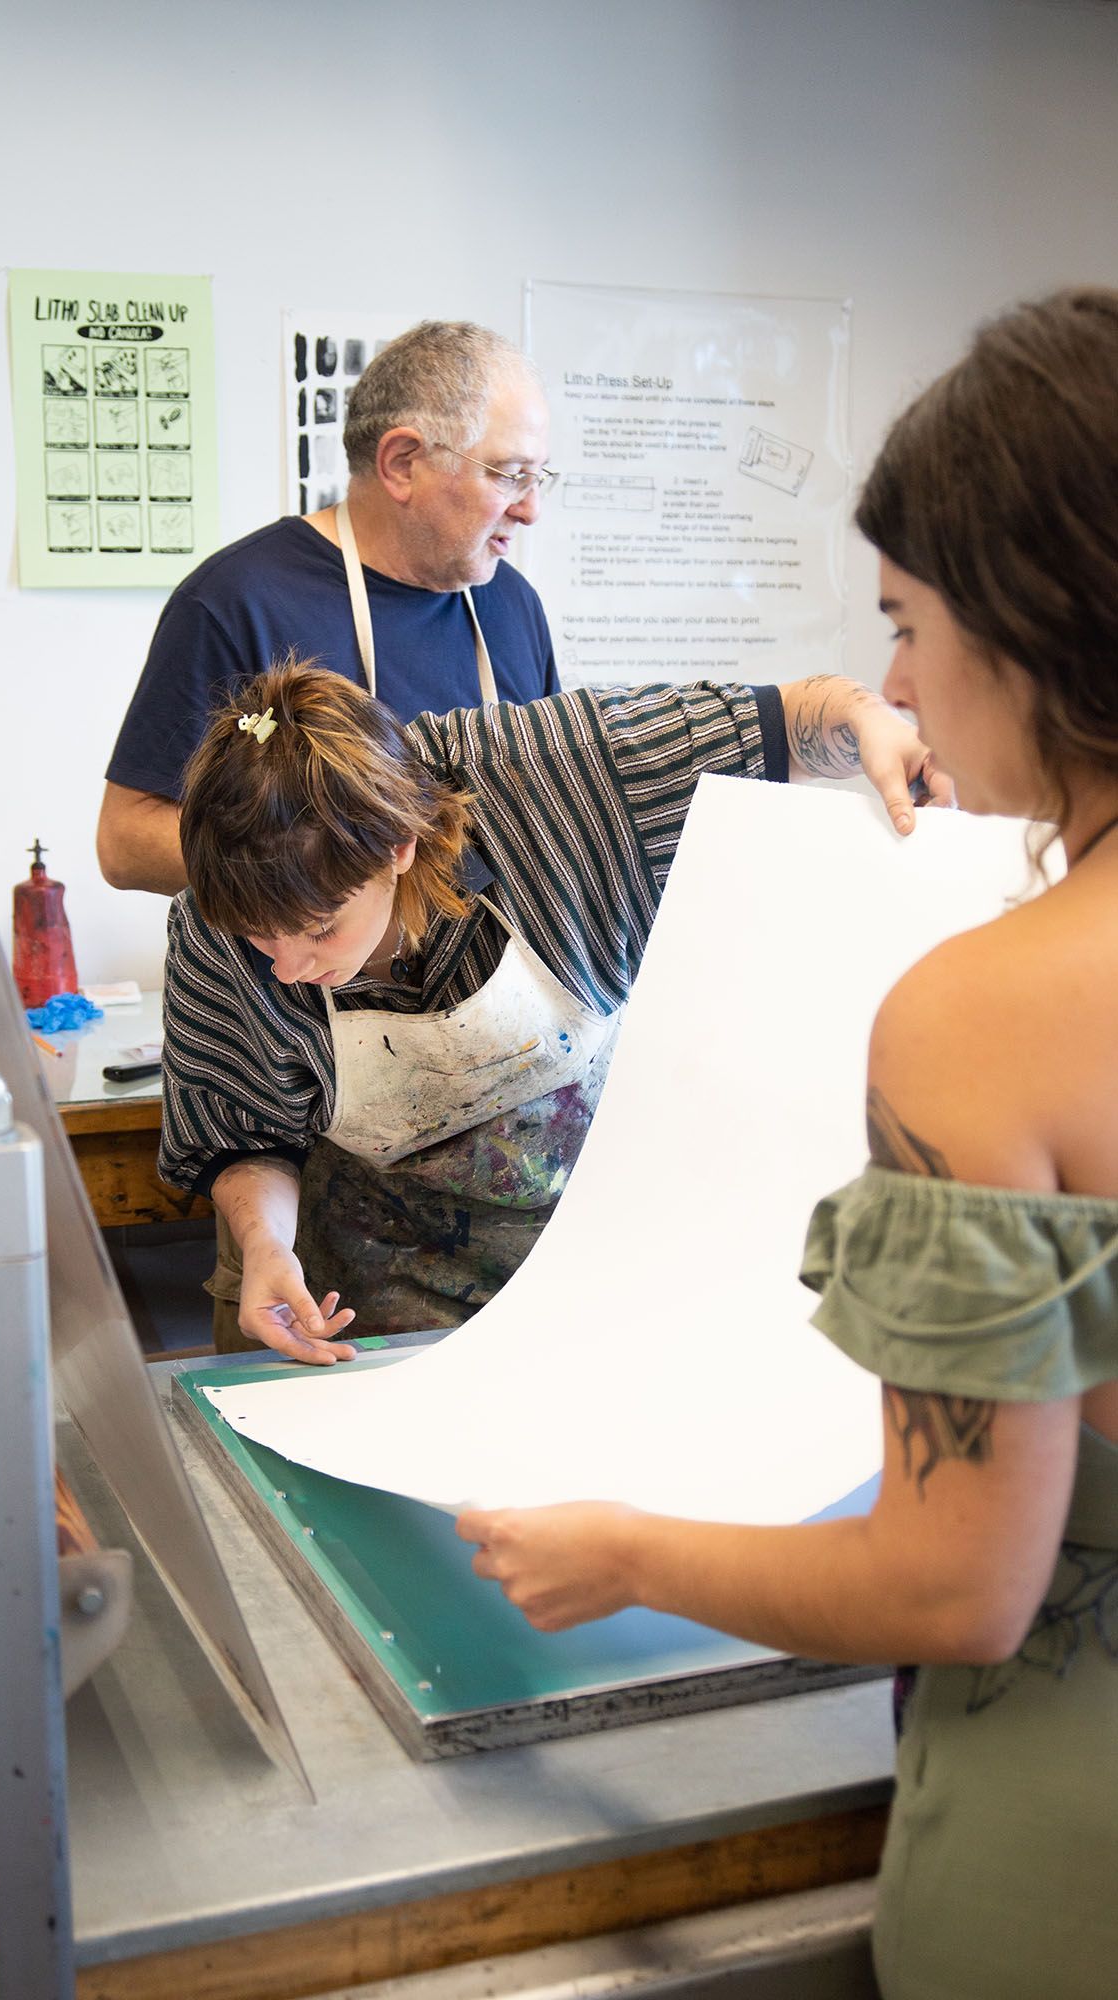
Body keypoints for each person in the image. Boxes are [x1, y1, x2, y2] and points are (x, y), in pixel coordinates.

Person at [457, 289, 1118, 2000]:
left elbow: (958, 1581)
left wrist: (615, 1553)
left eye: (908, 624)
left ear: (1036, 616)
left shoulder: (986, 1012)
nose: (896, 684)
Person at [159, 654, 943, 1358]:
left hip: (588, 1258)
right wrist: (266, 1247)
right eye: (262, 940)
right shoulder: (212, 929)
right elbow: (245, 1137)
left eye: (320, 929)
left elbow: (791, 719)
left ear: (398, 846)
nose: (289, 968)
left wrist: (874, 724)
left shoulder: (559, 777)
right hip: (369, 1300)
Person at [96, 320, 561, 898]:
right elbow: (126, 842)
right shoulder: (238, 602)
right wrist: (330, 871)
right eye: (510, 476)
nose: (531, 510)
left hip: (487, 984)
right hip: (299, 985)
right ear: (402, 463)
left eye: (538, 478)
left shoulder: (513, 609)